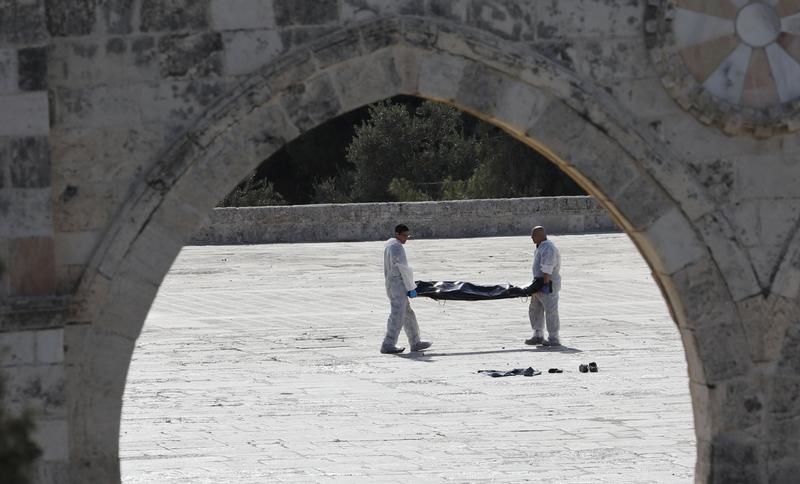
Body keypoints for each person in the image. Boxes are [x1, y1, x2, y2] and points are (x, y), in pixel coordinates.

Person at [381, 224, 432, 354]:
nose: (406, 239)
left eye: (407, 236)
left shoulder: (389, 244)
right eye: (404, 235)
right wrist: (411, 287)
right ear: (397, 234)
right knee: (397, 315)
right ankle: (388, 343)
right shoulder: (396, 247)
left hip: (391, 283)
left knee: (408, 313)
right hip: (398, 285)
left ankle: (415, 342)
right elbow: (404, 269)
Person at [525, 225, 562, 347]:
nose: (531, 237)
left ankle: (554, 337)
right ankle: (538, 334)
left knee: (550, 310)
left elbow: (547, 268)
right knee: (535, 308)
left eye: (533, 235)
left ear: (541, 235)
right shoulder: (540, 247)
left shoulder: (548, 248)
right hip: (538, 283)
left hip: (547, 284)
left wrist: (545, 286)